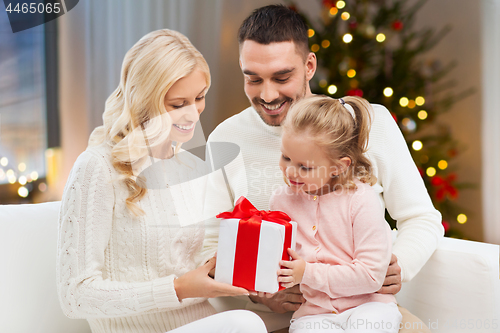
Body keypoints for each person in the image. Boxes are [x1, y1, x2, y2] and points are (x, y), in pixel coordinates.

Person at [206, 4, 443, 332]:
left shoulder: (370, 123)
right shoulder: (225, 139)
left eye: (282, 77)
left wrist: (398, 266)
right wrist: (258, 296)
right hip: (283, 319)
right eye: (254, 79)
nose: (268, 94)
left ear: (309, 65)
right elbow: (210, 241)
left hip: (365, 306)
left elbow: (422, 217)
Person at [56, 29, 267, 333]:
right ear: (145, 101)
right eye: (178, 103)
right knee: (245, 324)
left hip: (201, 321)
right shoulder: (97, 167)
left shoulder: (186, 164)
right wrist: (178, 288)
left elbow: (182, 263)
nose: (193, 114)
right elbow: (74, 296)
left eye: (199, 97)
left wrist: (226, 265)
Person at [271, 95, 402, 333]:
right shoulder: (281, 200)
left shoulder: (362, 200)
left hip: (369, 305)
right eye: (286, 157)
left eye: (305, 167)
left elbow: (371, 276)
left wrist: (307, 273)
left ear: (339, 166)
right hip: (314, 314)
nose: (290, 171)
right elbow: (275, 263)